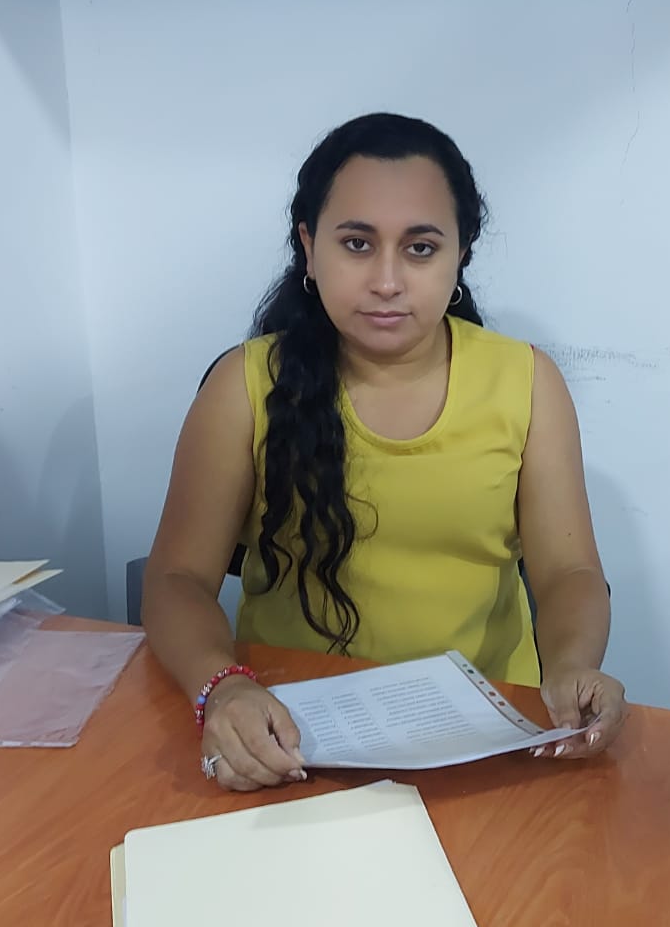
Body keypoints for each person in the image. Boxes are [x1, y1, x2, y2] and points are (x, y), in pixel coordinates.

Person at [143, 112, 628, 791]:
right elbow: (176, 579)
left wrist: (572, 664)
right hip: (290, 738)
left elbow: (569, 571)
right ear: (309, 247)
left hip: (487, 738)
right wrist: (221, 687)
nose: (387, 280)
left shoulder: (526, 382)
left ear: (461, 254)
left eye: (420, 248)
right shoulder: (245, 386)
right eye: (357, 244)